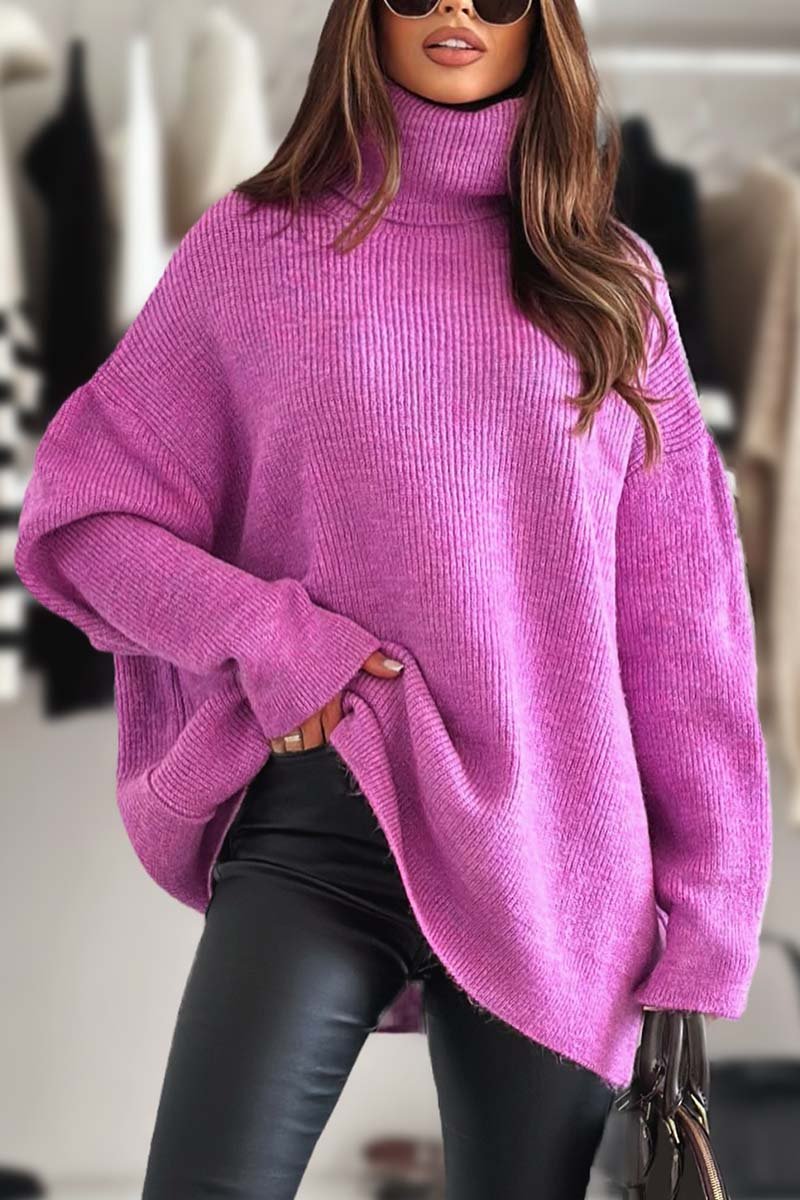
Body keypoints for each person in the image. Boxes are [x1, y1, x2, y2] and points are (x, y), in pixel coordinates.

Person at [14, 1, 772, 1197]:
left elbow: (683, 633)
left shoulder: (611, 284)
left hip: (557, 863)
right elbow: (81, 518)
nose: (455, 10)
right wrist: (267, 637)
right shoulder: (255, 248)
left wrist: (707, 923)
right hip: (320, 823)